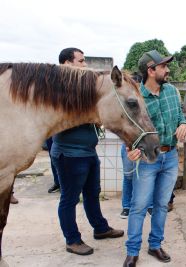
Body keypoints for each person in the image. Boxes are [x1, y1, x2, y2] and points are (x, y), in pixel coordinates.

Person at [51, 47, 124, 256]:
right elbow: (60, 120)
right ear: (66, 64)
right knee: (69, 198)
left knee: (92, 193)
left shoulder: (81, 87)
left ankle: (100, 228)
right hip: (69, 154)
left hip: (88, 152)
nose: (85, 65)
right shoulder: (58, 90)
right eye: (81, 61)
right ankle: (72, 240)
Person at [123, 50, 186, 266]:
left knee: (161, 205)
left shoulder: (171, 91)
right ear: (151, 71)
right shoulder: (136, 98)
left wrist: (183, 125)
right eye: (163, 67)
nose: (168, 70)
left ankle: (155, 245)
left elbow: (179, 115)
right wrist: (129, 148)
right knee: (139, 206)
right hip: (147, 159)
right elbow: (129, 129)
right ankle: (132, 251)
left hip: (170, 157)